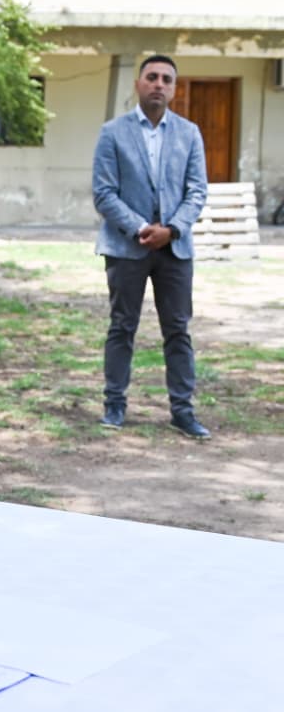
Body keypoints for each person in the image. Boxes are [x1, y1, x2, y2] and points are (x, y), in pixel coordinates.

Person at [91, 54, 209, 438]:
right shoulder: (112, 132)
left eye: (166, 79)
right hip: (127, 247)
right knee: (122, 326)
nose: (159, 84)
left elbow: (197, 191)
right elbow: (104, 193)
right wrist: (142, 228)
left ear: (173, 88)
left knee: (178, 330)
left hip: (175, 250)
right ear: (138, 83)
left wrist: (172, 230)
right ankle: (114, 405)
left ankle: (182, 411)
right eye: (152, 77)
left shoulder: (189, 133)